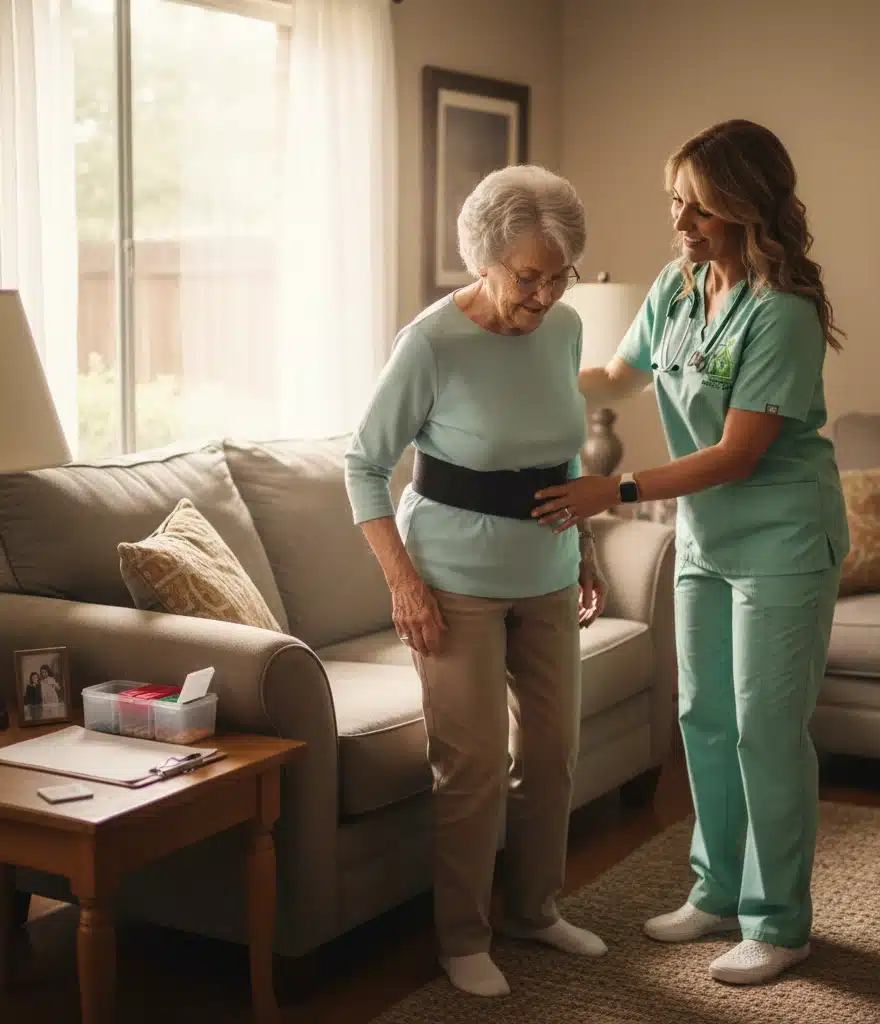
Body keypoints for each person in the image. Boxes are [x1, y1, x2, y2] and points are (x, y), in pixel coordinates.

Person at [532, 120, 850, 985]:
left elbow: (738, 454)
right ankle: (716, 894)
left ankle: (778, 922)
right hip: (707, 537)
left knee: (767, 730)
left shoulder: (783, 314)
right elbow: (613, 379)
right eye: (676, 202)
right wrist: (513, 353)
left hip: (783, 537)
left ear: (746, 208)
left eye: (698, 208)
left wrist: (617, 490)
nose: (680, 223)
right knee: (702, 717)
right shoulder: (677, 290)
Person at [345, 165, 609, 998]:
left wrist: (588, 545)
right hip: (453, 581)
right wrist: (404, 584)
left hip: (549, 572)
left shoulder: (564, 328)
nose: (544, 294)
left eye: (558, 274)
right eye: (528, 276)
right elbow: (362, 466)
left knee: (554, 753)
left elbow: (561, 446)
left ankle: (534, 910)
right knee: (473, 768)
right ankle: (463, 936)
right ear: (482, 260)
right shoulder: (431, 342)